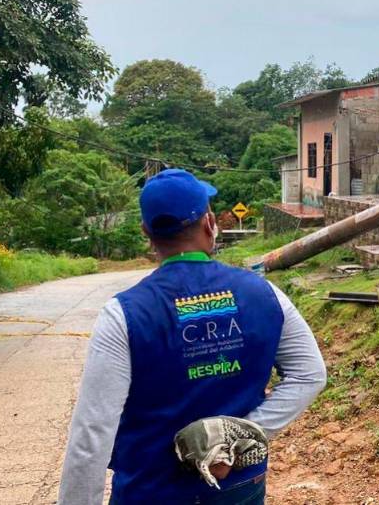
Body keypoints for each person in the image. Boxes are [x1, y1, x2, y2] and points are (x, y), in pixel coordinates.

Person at [58, 169, 327, 505]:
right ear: (210, 223)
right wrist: (237, 436)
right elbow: (310, 375)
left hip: (151, 489)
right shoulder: (265, 294)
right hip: (238, 488)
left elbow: (91, 436)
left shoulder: (123, 315)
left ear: (147, 234)